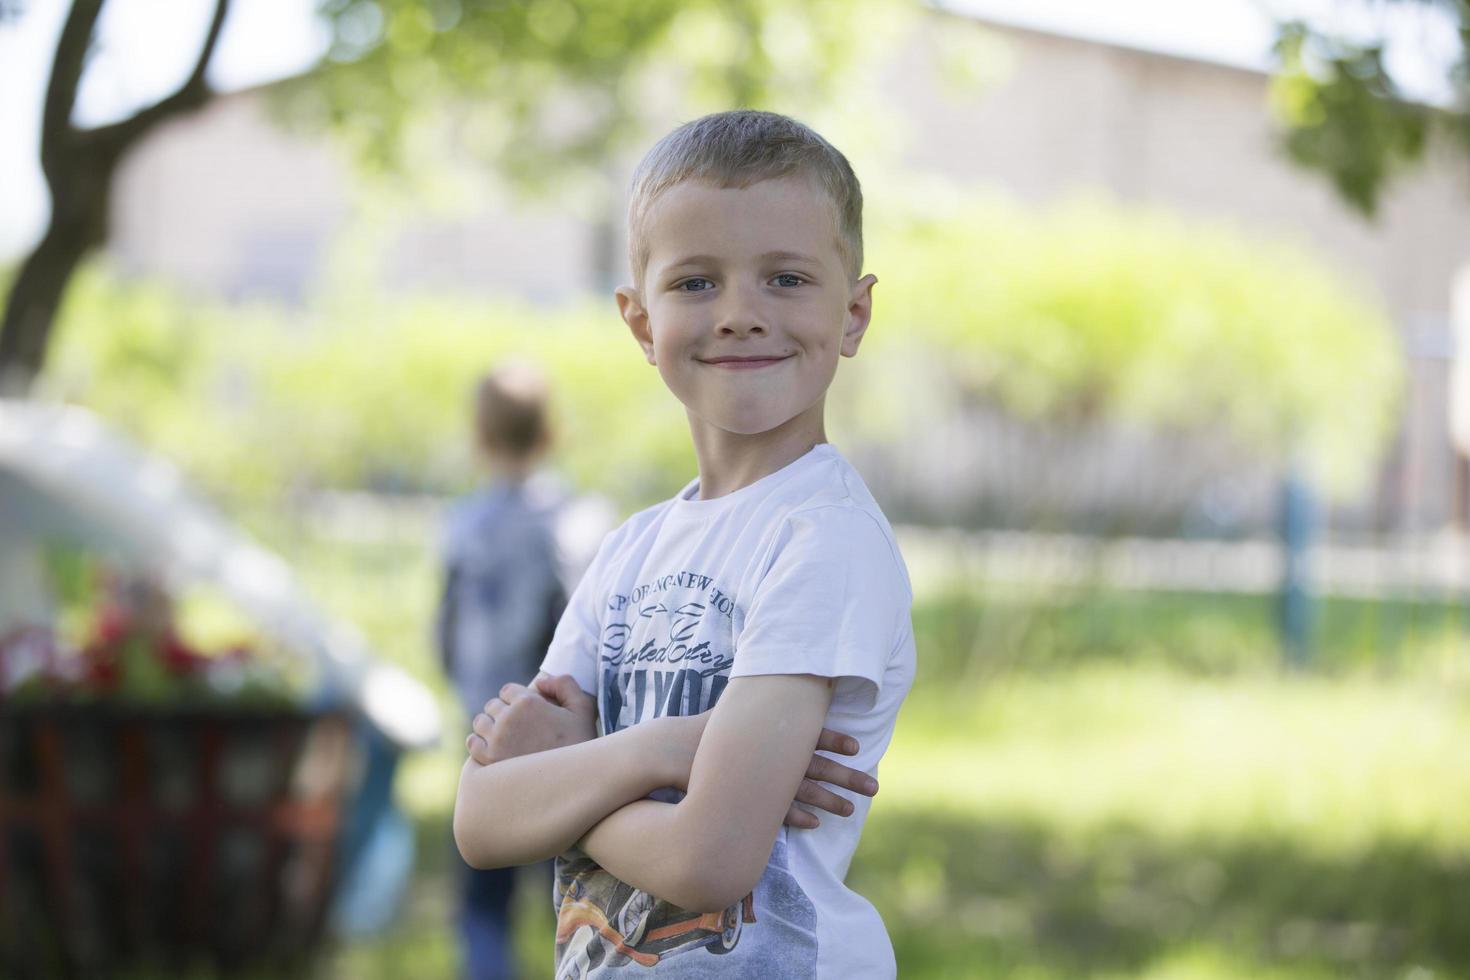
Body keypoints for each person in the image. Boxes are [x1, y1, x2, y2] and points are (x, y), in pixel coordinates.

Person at [454, 110, 916, 979]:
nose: (741, 314)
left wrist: (565, 774)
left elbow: (711, 859)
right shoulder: (630, 550)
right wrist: (668, 752)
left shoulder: (824, 541)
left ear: (853, 314)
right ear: (639, 323)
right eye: (697, 283)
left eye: (785, 279)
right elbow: (482, 821)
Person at [437, 361, 568, 980]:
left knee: (483, 878)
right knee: (563, 878)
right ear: (549, 434)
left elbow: (445, 627)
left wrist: (466, 687)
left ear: (479, 436)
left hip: (482, 729)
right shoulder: (569, 521)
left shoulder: (464, 523)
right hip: (552, 734)